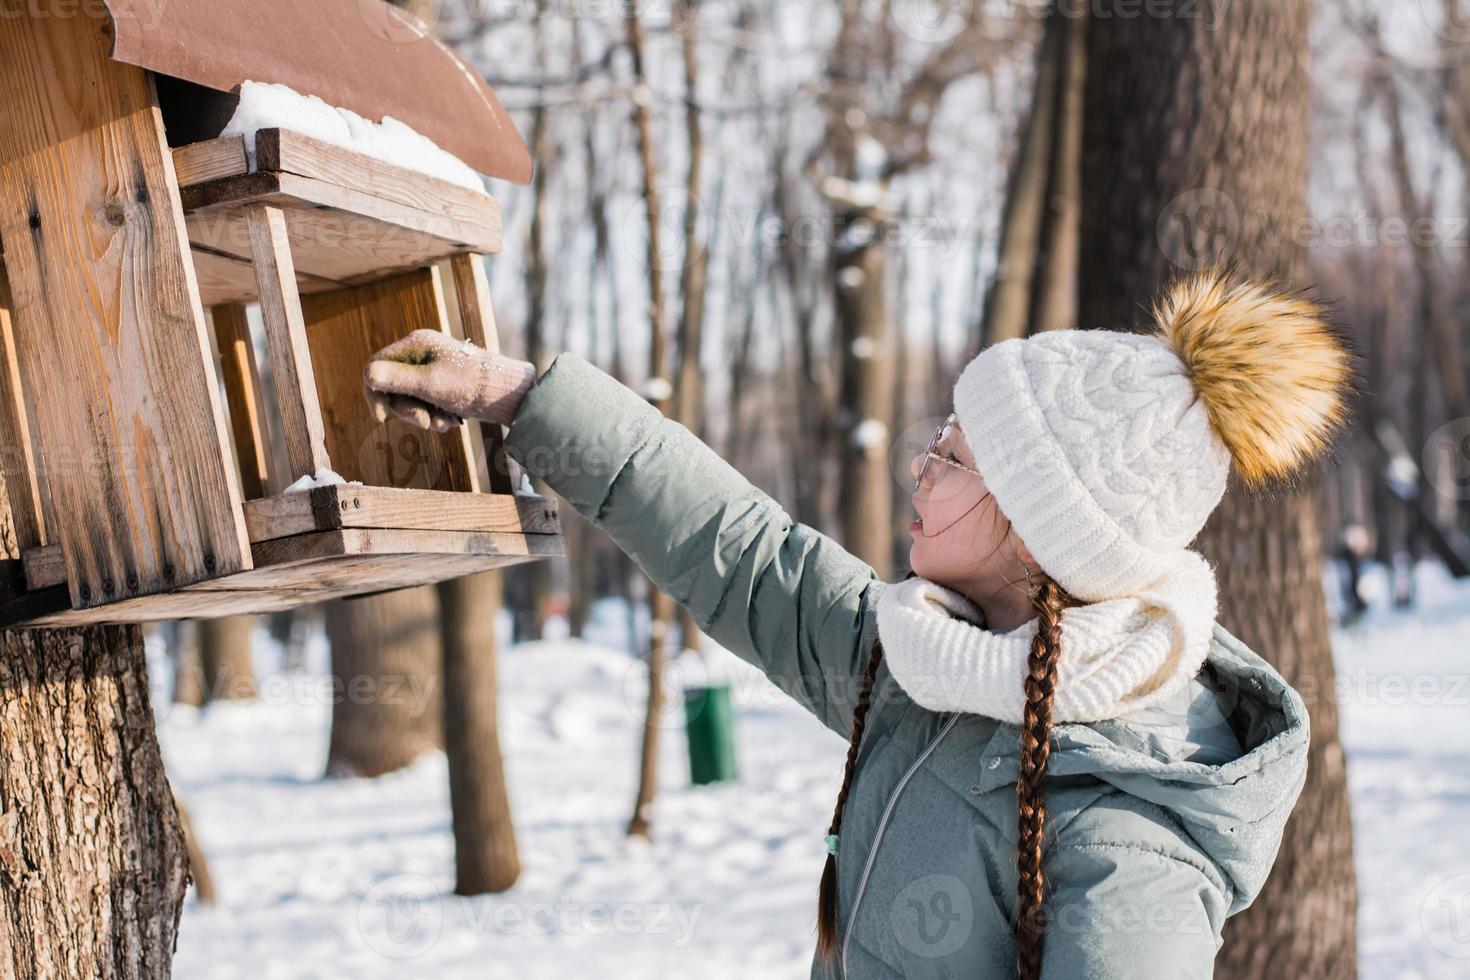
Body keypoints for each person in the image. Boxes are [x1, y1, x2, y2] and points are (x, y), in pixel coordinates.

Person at [362, 269, 1353, 979]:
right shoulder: (927, 670)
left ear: (1035, 527)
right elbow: (742, 549)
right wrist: (519, 395)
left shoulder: (1130, 837)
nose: (920, 468)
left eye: (954, 456)